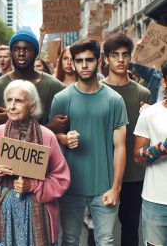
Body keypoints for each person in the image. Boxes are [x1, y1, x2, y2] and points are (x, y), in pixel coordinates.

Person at [0, 79, 70, 246]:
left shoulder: (47, 137)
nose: (12, 106)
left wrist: (32, 186)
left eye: (19, 101)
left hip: (35, 212)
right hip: (2, 213)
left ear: (32, 106)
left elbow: (62, 180)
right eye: (9, 100)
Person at [49, 38, 128, 246]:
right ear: (72, 63)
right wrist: (63, 138)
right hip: (70, 186)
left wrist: (116, 189)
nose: (84, 65)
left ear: (99, 61)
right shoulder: (61, 98)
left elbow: (120, 147)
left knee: (106, 241)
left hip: (105, 187)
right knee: (69, 240)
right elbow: (50, 137)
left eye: (89, 60)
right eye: (79, 60)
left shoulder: (114, 100)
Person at [102, 33, 152, 246]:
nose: (120, 60)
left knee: (131, 229)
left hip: (134, 173)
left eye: (125, 55)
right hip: (103, 173)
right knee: (100, 231)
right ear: (106, 59)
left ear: (130, 58)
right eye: (115, 55)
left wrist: (152, 114)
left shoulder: (144, 93)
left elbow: (151, 136)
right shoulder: (97, 90)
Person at [0, 26, 67, 132]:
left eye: (27, 49)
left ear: (36, 53)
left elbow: (62, 129)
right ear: (11, 53)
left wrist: (10, 120)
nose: (21, 54)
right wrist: (49, 128)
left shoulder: (56, 88)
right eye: (16, 49)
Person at [134, 60, 167, 246]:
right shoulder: (150, 114)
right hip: (156, 201)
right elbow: (138, 156)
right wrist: (163, 148)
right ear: (164, 82)